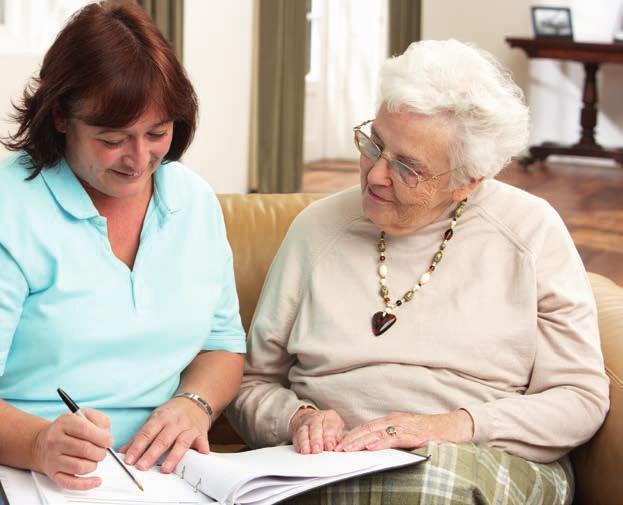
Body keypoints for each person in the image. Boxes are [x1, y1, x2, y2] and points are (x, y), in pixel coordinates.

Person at [227, 40, 609, 504]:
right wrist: (298, 417)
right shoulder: (316, 229)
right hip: (326, 463)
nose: (375, 176)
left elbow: (579, 398)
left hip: (481, 456)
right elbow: (252, 382)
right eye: (375, 144)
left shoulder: (529, 232)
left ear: (469, 180)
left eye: (408, 167)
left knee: (425, 491)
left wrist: (452, 427)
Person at [0, 0, 245, 491]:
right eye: (113, 138)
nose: (139, 159)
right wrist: (38, 444)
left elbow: (222, 347)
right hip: (29, 473)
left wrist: (192, 404)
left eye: (157, 133)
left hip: (162, 475)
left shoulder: (192, 203)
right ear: (62, 118)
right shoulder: (12, 211)